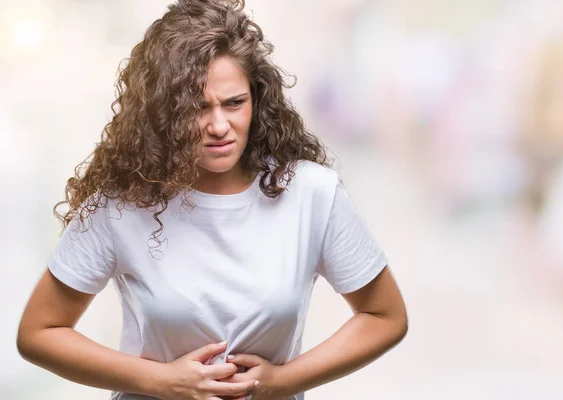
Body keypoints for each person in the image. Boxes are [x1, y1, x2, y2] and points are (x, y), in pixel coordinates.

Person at [16, 1, 408, 399]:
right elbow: (39, 332)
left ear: (258, 100)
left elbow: (384, 316)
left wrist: (285, 381)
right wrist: (159, 381)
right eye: (197, 108)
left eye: (234, 103)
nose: (219, 126)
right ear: (163, 112)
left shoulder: (313, 193)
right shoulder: (122, 203)